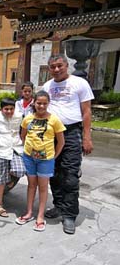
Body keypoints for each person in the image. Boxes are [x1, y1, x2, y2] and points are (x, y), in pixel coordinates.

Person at [42, 53, 94, 234]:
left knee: (70, 175)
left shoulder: (80, 83)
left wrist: (87, 137)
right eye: (52, 67)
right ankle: (58, 205)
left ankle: (70, 215)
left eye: (59, 66)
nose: (56, 69)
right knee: (53, 173)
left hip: (71, 133)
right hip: (51, 134)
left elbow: (86, 112)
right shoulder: (47, 86)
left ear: (66, 66)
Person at [15, 90, 65, 232]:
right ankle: (29, 212)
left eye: (44, 103)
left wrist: (53, 157)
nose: (41, 106)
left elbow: (61, 142)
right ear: (34, 103)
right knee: (31, 186)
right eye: (39, 103)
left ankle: (40, 216)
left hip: (46, 160)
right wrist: (28, 149)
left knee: (43, 187)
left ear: (48, 104)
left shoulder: (54, 120)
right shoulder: (27, 119)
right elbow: (23, 135)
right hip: (29, 158)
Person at [0, 98, 26, 217]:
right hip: (1, 150)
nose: (9, 111)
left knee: (20, 170)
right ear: (1, 109)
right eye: (6, 109)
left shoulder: (19, 116)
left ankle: (7, 183)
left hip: (15, 147)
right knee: (1, 178)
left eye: (11, 109)